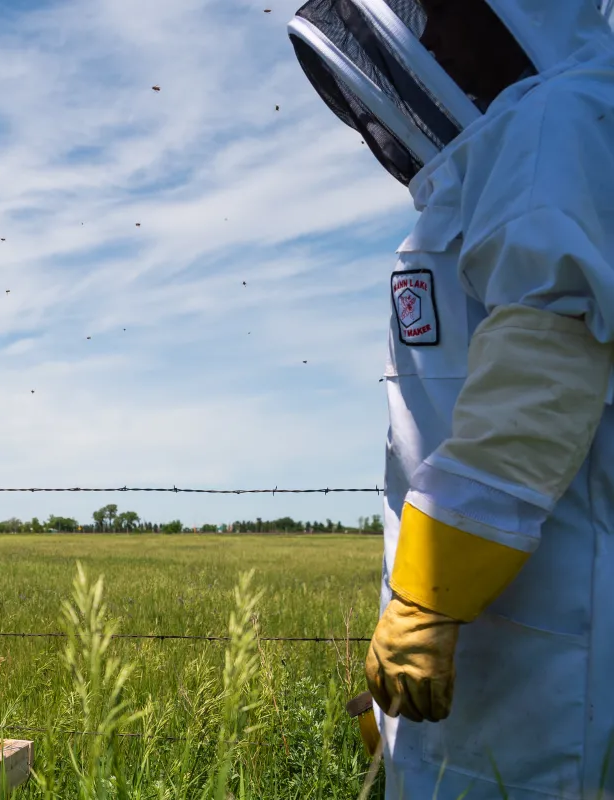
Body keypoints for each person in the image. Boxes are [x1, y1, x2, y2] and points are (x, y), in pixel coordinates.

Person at [289, 0, 614, 796]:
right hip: (484, 604)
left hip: (547, 619)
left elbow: (541, 370)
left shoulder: (562, 121)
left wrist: (429, 601)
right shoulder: (509, 147)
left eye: (443, 10)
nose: (428, 34)